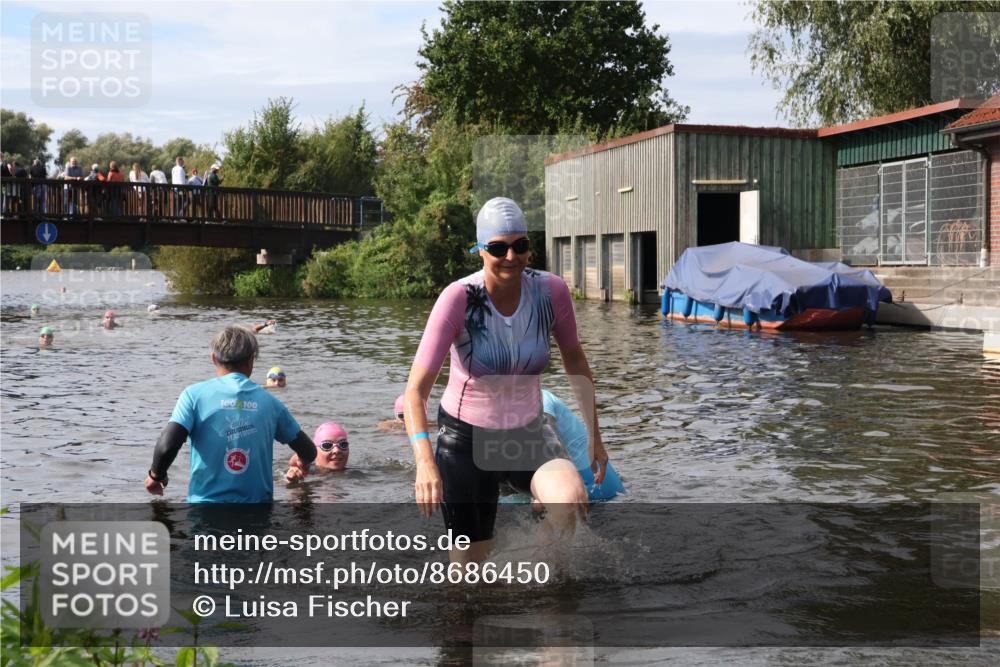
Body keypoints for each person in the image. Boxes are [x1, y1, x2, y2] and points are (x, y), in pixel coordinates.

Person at [403, 196, 607, 564]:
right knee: (468, 573)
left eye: (520, 246)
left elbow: (575, 360)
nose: (511, 257)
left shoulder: (550, 291)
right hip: (466, 442)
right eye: (498, 248)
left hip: (528, 433)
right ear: (481, 250)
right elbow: (415, 392)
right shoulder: (459, 299)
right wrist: (424, 462)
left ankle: (535, 581)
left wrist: (595, 436)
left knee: (570, 501)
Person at [144, 325, 317, 502]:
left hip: (205, 512)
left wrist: (156, 475)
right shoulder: (271, 404)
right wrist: (302, 461)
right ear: (251, 360)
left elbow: (167, 445)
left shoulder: (193, 396)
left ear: (213, 358)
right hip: (257, 514)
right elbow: (309, 450)